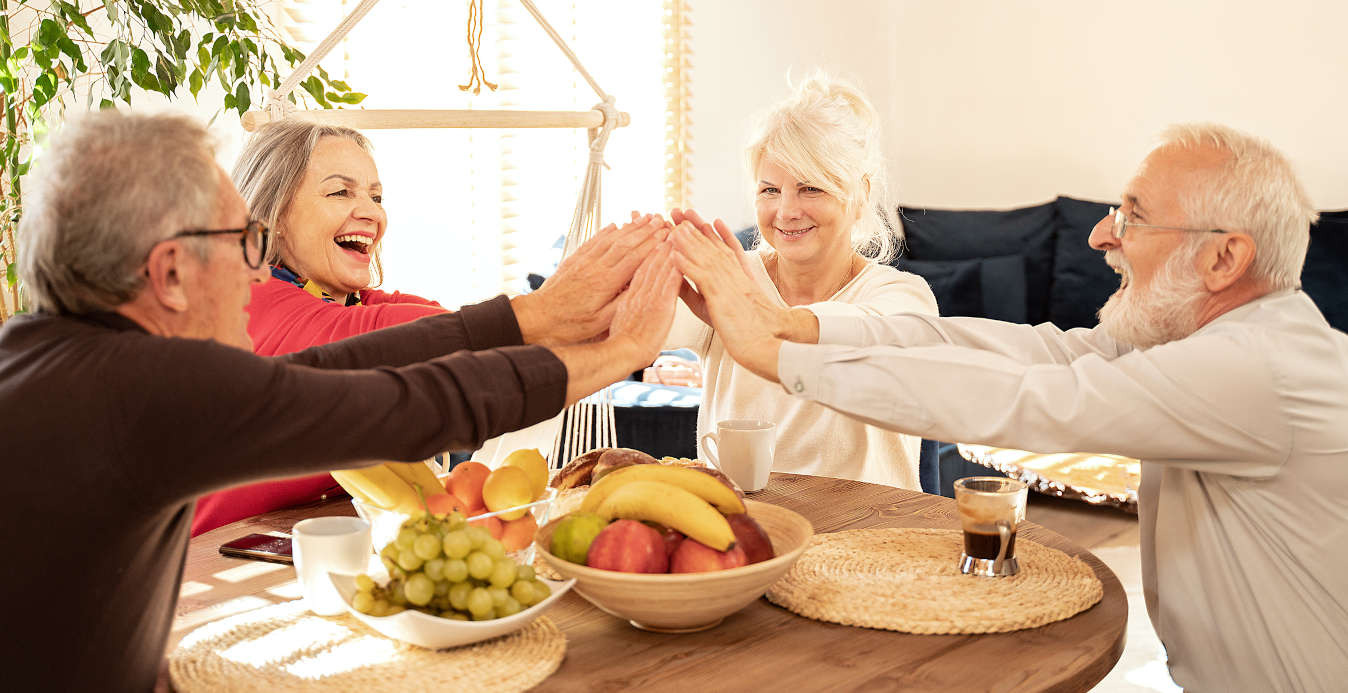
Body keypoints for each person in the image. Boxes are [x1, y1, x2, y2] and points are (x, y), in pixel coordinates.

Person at [0, 110, 680, 691]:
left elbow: (330, 368)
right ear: (170, 273)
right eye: (244, 242)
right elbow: (410, 404)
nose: (256, 268)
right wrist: (618, 353)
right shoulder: (142, 390)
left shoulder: (47, 356)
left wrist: (537, 316)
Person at [673, 123, 1347, 691]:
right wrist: (799, 327)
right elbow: (1030, 354)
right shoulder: (1214, 343)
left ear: (1225, 257)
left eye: (1133, 215)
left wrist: (779, 357)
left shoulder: (1255, 369)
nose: (1101, 236)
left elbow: (1023, 397)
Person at [192, 121, 663, 534]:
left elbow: (453, 336)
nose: (372, 212)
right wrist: (560, 313)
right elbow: (413, 348)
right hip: (201, 574)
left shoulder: (355, 301)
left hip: (295, 545)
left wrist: (608, 314)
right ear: (271, 212)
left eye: (375, 196)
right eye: (340, 192)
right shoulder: (249, 302)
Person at [664, 75, 937, 490]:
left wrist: (752, 312)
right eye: (770, 189)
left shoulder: (901, 296)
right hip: (745, 534)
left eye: (809, 188)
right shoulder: (733, 281)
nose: (786, 211)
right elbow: (651, 328)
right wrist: (645, 272)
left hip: (869, 538)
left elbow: (859, 337)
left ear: (859, 193)